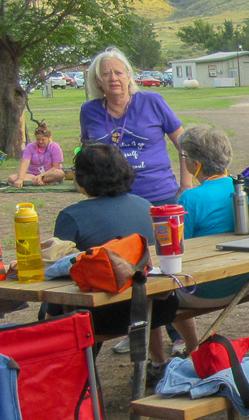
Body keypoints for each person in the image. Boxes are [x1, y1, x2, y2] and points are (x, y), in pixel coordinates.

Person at [80, 46, 190, 356]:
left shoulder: (152, 102)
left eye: (118, 72)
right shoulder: (90, 110)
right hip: (114, 200)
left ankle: (177, 331)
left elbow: (183, 142)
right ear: (97, 80)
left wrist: (185, 182)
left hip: (160, 195)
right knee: (125, 266)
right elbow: (89, 156)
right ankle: (134, 326)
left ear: (130, 76)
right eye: (106, 74)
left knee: (166, 265)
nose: (113, 78)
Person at [53, 143, 179, 376]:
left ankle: (74, 378)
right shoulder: (145, 206)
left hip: (102, 315)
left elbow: (60, 268)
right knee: (138, 279)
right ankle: (159, 362)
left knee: (57, 303)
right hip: (156, 308)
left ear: (81, 180)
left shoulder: (72, 216)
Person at [174, 124, 249, 353]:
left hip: (203, 291)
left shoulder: (190, 198)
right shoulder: (244, 188)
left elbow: (180, 252)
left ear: (196, 163)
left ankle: (187, 348)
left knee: (153, 296)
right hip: (244, 282)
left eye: (184, 156)